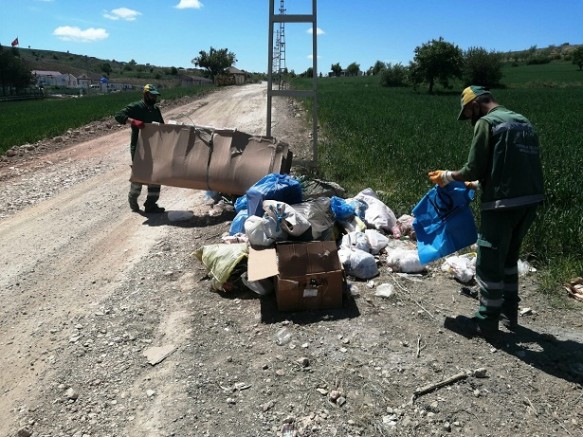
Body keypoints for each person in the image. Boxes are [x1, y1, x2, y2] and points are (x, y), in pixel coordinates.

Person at [429, 85, 544, 337]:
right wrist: (478, 184)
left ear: (474, 105)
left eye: (469, 114)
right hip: (530, 202)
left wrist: (447, 176)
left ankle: (486, 322)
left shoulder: (487, 123)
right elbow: (513, 166)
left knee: (489, 262)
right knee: (508, 259)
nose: (471, 120)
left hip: (502, 205)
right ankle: (508, 312)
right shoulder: (522, 121)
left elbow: (472, 167)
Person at [115, 84, 166, 213]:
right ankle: (132, 200)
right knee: (140, 176)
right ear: (145, 94)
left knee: (155, 176)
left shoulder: (155, 109)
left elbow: (162, 126)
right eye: (152, 95)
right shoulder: (136, 107)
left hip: (153, 147)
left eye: (155, 96)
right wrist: (133, 121)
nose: (154, 97)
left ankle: (150, 204)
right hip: (139, 147)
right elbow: (119, 115)